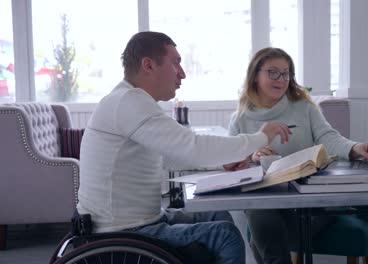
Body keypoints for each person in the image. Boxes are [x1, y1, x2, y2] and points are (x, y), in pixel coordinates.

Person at [76, 32, 292, 264]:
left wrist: (222, 163)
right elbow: (193, 147)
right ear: (148, 65)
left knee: (218, 215)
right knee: (226, 236)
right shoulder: (129, 102)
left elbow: (168, 156)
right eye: (176, 63)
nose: (183, 73)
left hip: (137, 222)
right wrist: (261, 137)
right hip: (122, 233)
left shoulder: (129, 101)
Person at [228, 47, 368, 264]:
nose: (281, 79)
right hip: (267, 199)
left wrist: (355, 148)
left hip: (309, 196)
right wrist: (253, 156)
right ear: (255, 75)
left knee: (261, 231)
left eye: (286, 73)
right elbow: (232, 165)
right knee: (260, 211)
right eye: (273, 72)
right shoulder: (239, 119)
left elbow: (329, 138)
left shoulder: (304, 107)